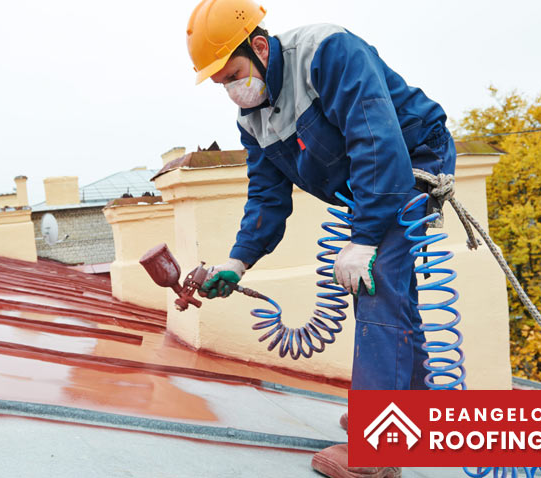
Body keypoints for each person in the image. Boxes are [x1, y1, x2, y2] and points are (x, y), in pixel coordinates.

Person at [187, 0, 456, 476]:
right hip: (368, 176)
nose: (231, 90)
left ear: (262, 48)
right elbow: (267, 199)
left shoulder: (327, 53)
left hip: (410, 157)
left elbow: (378, 141)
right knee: (389, 286)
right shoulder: (254, 121)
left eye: (234, 75)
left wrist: (365, 239)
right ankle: (410, 412)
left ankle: (380, 448)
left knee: (374, 281)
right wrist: (238, 261)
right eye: (221, 83)